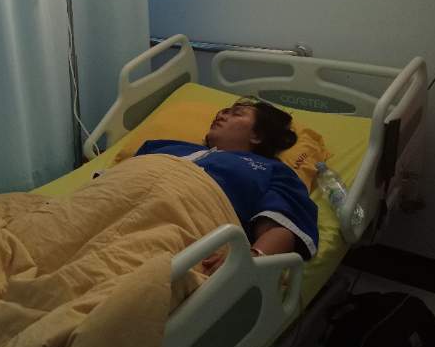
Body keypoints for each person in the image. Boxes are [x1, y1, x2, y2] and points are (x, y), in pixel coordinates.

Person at [135, 99, 318, 274]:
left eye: (236, 113)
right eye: (223, 112)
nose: (221, 115)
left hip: (176, 236)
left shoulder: (270, 170)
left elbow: (278, 230)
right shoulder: (164, 147)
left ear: (257, 135)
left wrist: (247, 261)